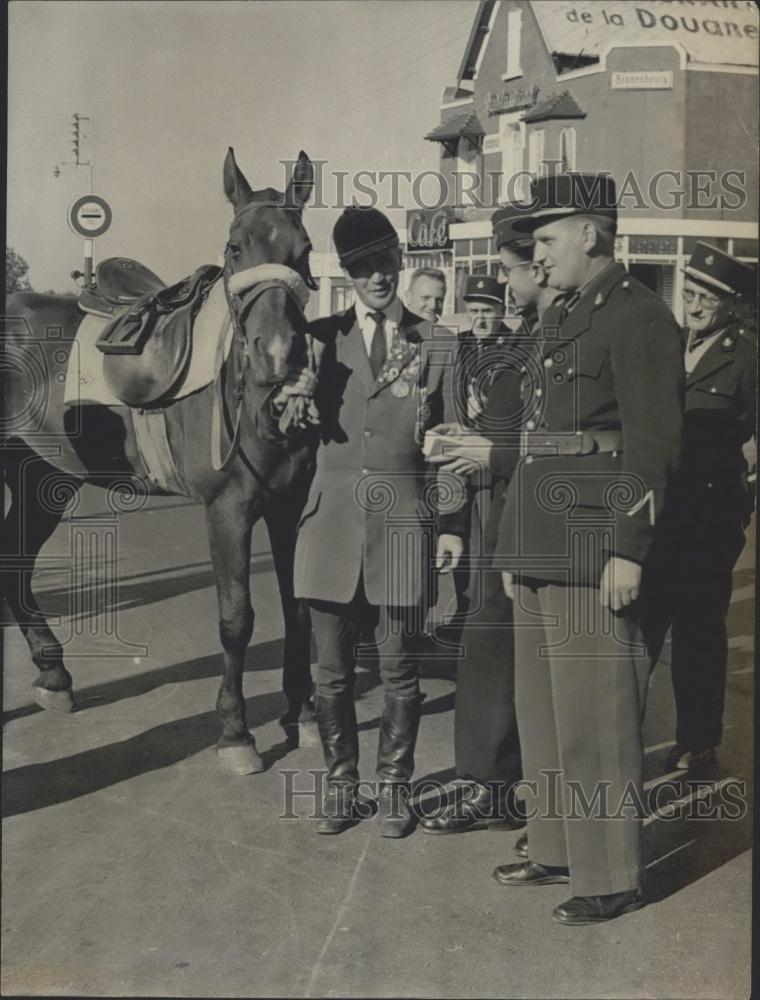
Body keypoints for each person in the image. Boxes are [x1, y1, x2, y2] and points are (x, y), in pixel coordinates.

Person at [491, 173, 684, 925]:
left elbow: (653, 445)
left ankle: (608, 876)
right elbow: (539, 439)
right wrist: (513, 548)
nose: (536, 256)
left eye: (545, 239)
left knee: (595, 716)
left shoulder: (638, 317)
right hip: (540, 537)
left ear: (589, 233)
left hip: (596, 539)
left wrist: (630, 548)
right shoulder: (563, 315)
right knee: (542, 711)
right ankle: (556, 846)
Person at [293, 207, 466, 838]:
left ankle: (394, 789)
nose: (377, 276)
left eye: (385, 262)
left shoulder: (437, 343)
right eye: (363, 267)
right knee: (331, 675)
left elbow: (450, 442)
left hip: (402, 528)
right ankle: (342, 787)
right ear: (347, 273)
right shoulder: (317, 340)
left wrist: (451, 523)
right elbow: (280, 427)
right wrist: (290, 403)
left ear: (401, 261)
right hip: (331, 529)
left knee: (399, 672)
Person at [419, 209, 559, 835]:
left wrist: (489, 452)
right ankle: (488, 783)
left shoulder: (554, 335)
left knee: (503, 656)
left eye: (509, 269)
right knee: (488, 650)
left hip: (532, 520)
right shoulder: (527, 337)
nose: (504, 284)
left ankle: (497, 789)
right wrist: (469, 440)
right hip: (502, 515)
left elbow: (580, 443)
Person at [654, 244, 756, 773]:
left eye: (706, 300)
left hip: (710, 518)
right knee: (645, 624)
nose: (693, 306)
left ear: (731, 305)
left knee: (697, 630)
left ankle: (698, 740)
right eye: (689, 294)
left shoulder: (747, 358)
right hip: (659, 513)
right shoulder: (668, 345)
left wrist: (744, 494)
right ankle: (616, 738)